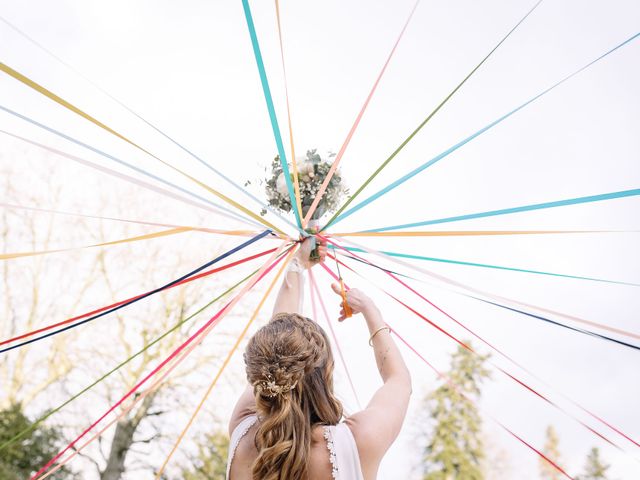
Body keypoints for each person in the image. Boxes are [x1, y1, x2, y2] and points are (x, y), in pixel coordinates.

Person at [227, 237, 411, 480]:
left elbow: (275, 351)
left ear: (262, 374)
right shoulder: (357, 443)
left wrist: (297, 265)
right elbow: (399, 381)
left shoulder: (242, 430)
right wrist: (370, 311)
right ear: (325, 373)